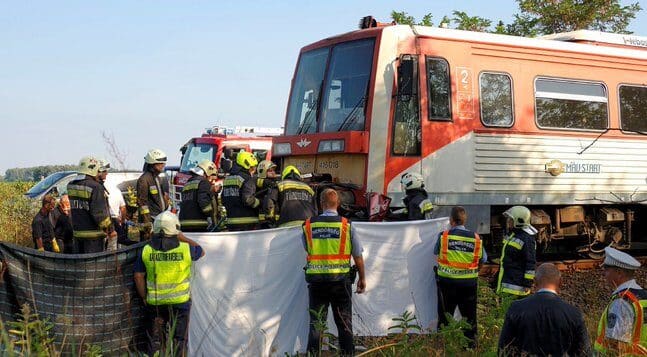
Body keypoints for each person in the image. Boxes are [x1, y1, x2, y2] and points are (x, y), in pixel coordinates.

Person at [303, 188, 366, 355]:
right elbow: (358, 255)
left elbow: (307, 248)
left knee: (316, 325)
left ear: (321, 204)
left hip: (317, 282)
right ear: (337, 203)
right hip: (341, 282)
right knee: (345, 324)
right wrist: (362, 278)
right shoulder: (346, 225)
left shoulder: (308, 225)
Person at [134, 211, 204, 356]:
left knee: (156, 342)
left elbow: (138, 276)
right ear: (175, 228)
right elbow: (201, 251)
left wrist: (144, 297)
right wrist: (182, 237)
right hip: (180, 304)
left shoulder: (146, 250)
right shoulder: (186, 249)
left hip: (155, 304)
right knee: (180, 341)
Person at [498, 263, 590, 356]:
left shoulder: (516, 308)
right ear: (561, 282)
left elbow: (503, 350)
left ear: (534, 281)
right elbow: (584, 352)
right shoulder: (574, 313)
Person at [434, 206, 487, 347]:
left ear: (451, 220)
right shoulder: (476, 238)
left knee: (445, 317)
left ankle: (442, 347)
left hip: (446, 284)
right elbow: (483, 259)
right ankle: (470, 347)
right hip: (468, 285)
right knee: (469, 318)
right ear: (465, 220)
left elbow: (436, 253)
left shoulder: (443, 236)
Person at [594, 247, 647, 355]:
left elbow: (616, 344)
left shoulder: (621, 302)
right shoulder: (644, 296)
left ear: (619, 273)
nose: (604, 273)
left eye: (607, 269)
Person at [67, 156, 116, 253]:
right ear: (93, 170)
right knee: (93, 266)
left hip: (77, 235)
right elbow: (99, 214)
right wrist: (111, 229)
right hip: (93, 237)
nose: (99, 173)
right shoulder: (96, 187)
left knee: (80, 266)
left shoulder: (71, 185)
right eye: (98, 171)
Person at [496, 206, 537, 297]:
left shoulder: (527, 239)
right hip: (508, 282)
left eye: (511, 219)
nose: (508, 222)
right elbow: (505, 260)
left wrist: (527, 283)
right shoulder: (512, 235)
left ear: (518, 221)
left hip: (517, 288)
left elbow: (530, 262)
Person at [221, 151, 260, 231]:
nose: (253, 171)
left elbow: (223, 199)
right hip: (247, 222)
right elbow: (248, 200)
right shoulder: (248, 179)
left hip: (231, 222)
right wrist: (260, 202)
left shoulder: (227, 179)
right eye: (252, 168)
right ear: (247, 165)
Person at [137, 149, 169, 240]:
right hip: (150, 222)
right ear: (152, 164)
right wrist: (147, 224)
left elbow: (161, 199)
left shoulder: (158, 179)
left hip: (159, 219)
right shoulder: (144, 180)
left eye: (164, 162)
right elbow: (142, 204)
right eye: (161, 163)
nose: (163, 165)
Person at [179, 160, 219, 232]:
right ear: (207, 172)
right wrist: (211, 215)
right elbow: (204, 203)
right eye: (211, 178)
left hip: (184, 223)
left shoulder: (188, 183)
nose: (212, 182)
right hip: (198, 224)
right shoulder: (204, 182)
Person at [256, 160, 279, 227]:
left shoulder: (275, 183)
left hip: (275, 219)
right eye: (270, 171)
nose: (273, 173)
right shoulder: (260, 183)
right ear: (263, 172)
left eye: (274, 170)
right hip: (264, 221)